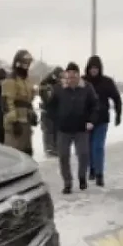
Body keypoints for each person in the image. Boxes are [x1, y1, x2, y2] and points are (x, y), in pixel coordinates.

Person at [46, 62, 98, 194]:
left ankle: (82, 177)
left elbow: (95, 105)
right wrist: (56, 120)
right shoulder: (58, 88)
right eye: (69, 76)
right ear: (65, 76)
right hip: (64, 129)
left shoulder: (87, 87)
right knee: (63, 156)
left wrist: (91, 121)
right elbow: (50, 107)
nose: (71, 79)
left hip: (81, 128)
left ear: (78, 76)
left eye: (74, 76)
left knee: (83, 154)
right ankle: (67, 183)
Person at [82, 55, 122, 187]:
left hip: (102, 120)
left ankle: (99, 174)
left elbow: (116, 97)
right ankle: (92, 168)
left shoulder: (107, 82)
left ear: (100, 69)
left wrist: (118, 114)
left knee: (97, 147)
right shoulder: (83, 82)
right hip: (86, 120)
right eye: (92, 68)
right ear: (88, 69)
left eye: (96, 68)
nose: (94, 70)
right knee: (87, 148)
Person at [1, 49, 38, 156]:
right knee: (15, 154)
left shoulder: (27, 80)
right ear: (18, 63)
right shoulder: (11, 80)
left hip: (25, 122)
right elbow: (7, 103)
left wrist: (32, 113)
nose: (27, 66)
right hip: (15, 124)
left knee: (27, 154)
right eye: (25, 63)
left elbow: (28, 101)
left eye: (28, 63)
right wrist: (14, 122)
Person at [38, 66, 64, 157]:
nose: (60, 78)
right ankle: (49, 149)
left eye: (62, 76)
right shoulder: (47, 84)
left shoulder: (61, 85)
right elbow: (46, 97)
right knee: (48, 131)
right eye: (59, 76)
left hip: (57, 113)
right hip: (48, 113)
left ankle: (56, 148)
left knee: (57, 131)